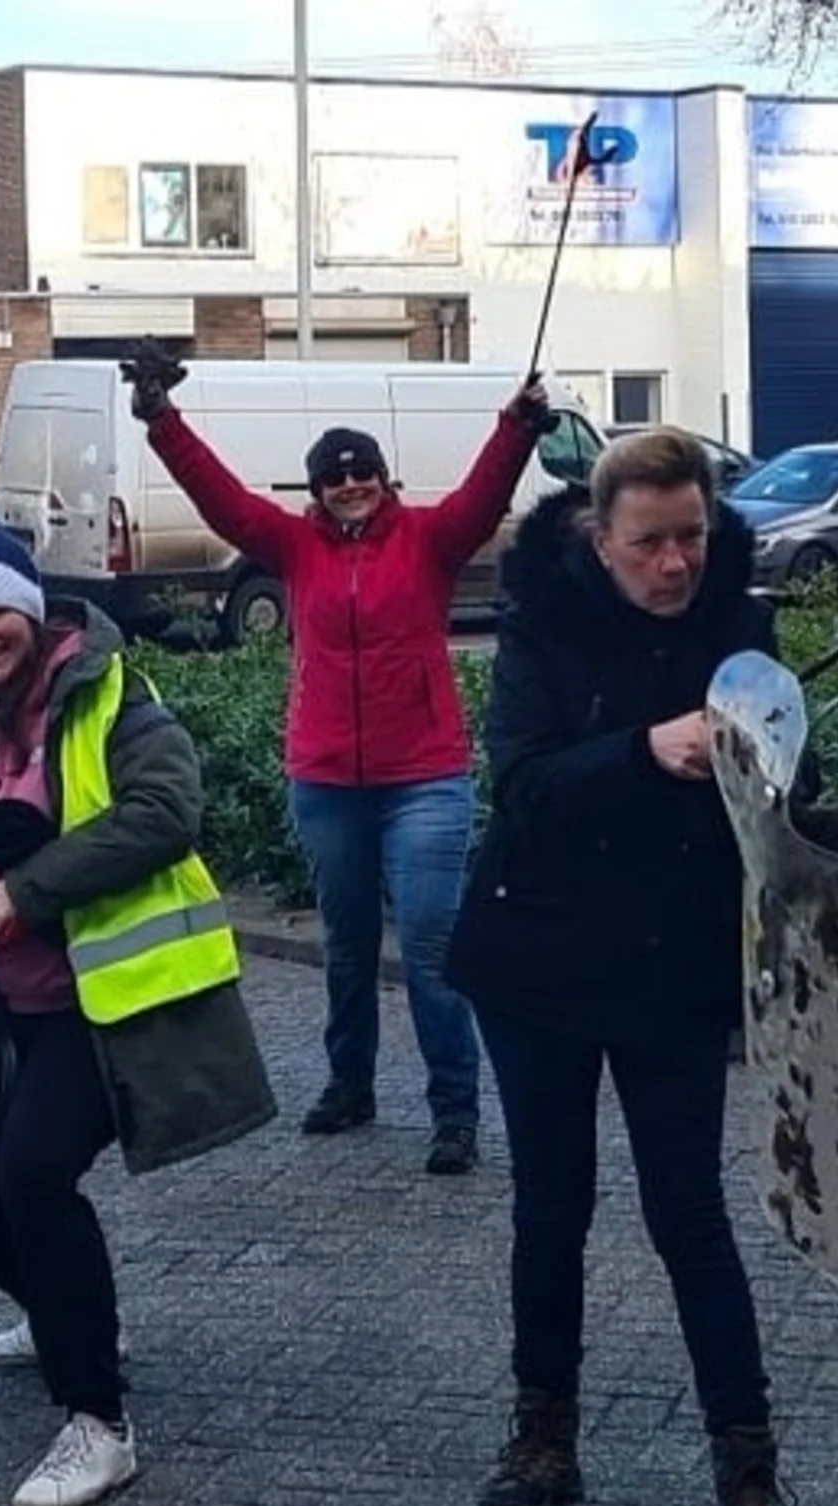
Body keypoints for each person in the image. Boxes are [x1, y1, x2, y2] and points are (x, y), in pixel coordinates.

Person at [0, 509, 274, 1506]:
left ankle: (98, 1419)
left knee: (33, 1174)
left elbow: (167, 813)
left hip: (99, 1001)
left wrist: (29, 891)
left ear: (32, 614)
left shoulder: (112, 695)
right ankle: (63, 1307)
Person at [441, 426, 799, 1506]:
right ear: (601, 540)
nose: (676, 563)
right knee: (552, 1204)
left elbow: (781, 788)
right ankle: (544, 1437)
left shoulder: (739, 626)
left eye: (692, 536)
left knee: (688, 1213)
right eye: (650, 544)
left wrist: (784, 786)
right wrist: (647, 750)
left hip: (671, 960)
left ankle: (748, 1470)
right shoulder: (541, 621)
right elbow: (526, 784)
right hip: (537, 951)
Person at [127, 347, 548, 1173]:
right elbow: (222, 500)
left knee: (429, 943)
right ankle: (349, 1083)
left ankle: (455, 1109)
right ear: (316, 489)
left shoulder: (431, 539)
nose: (351, 485)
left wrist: (518, 425)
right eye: (335, 476)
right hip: (326, 778)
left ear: (385, 481)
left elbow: (484, 491)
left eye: (364, 473)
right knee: (349, 943)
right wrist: (160, 421)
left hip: (425, 776)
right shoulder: (292, 547)